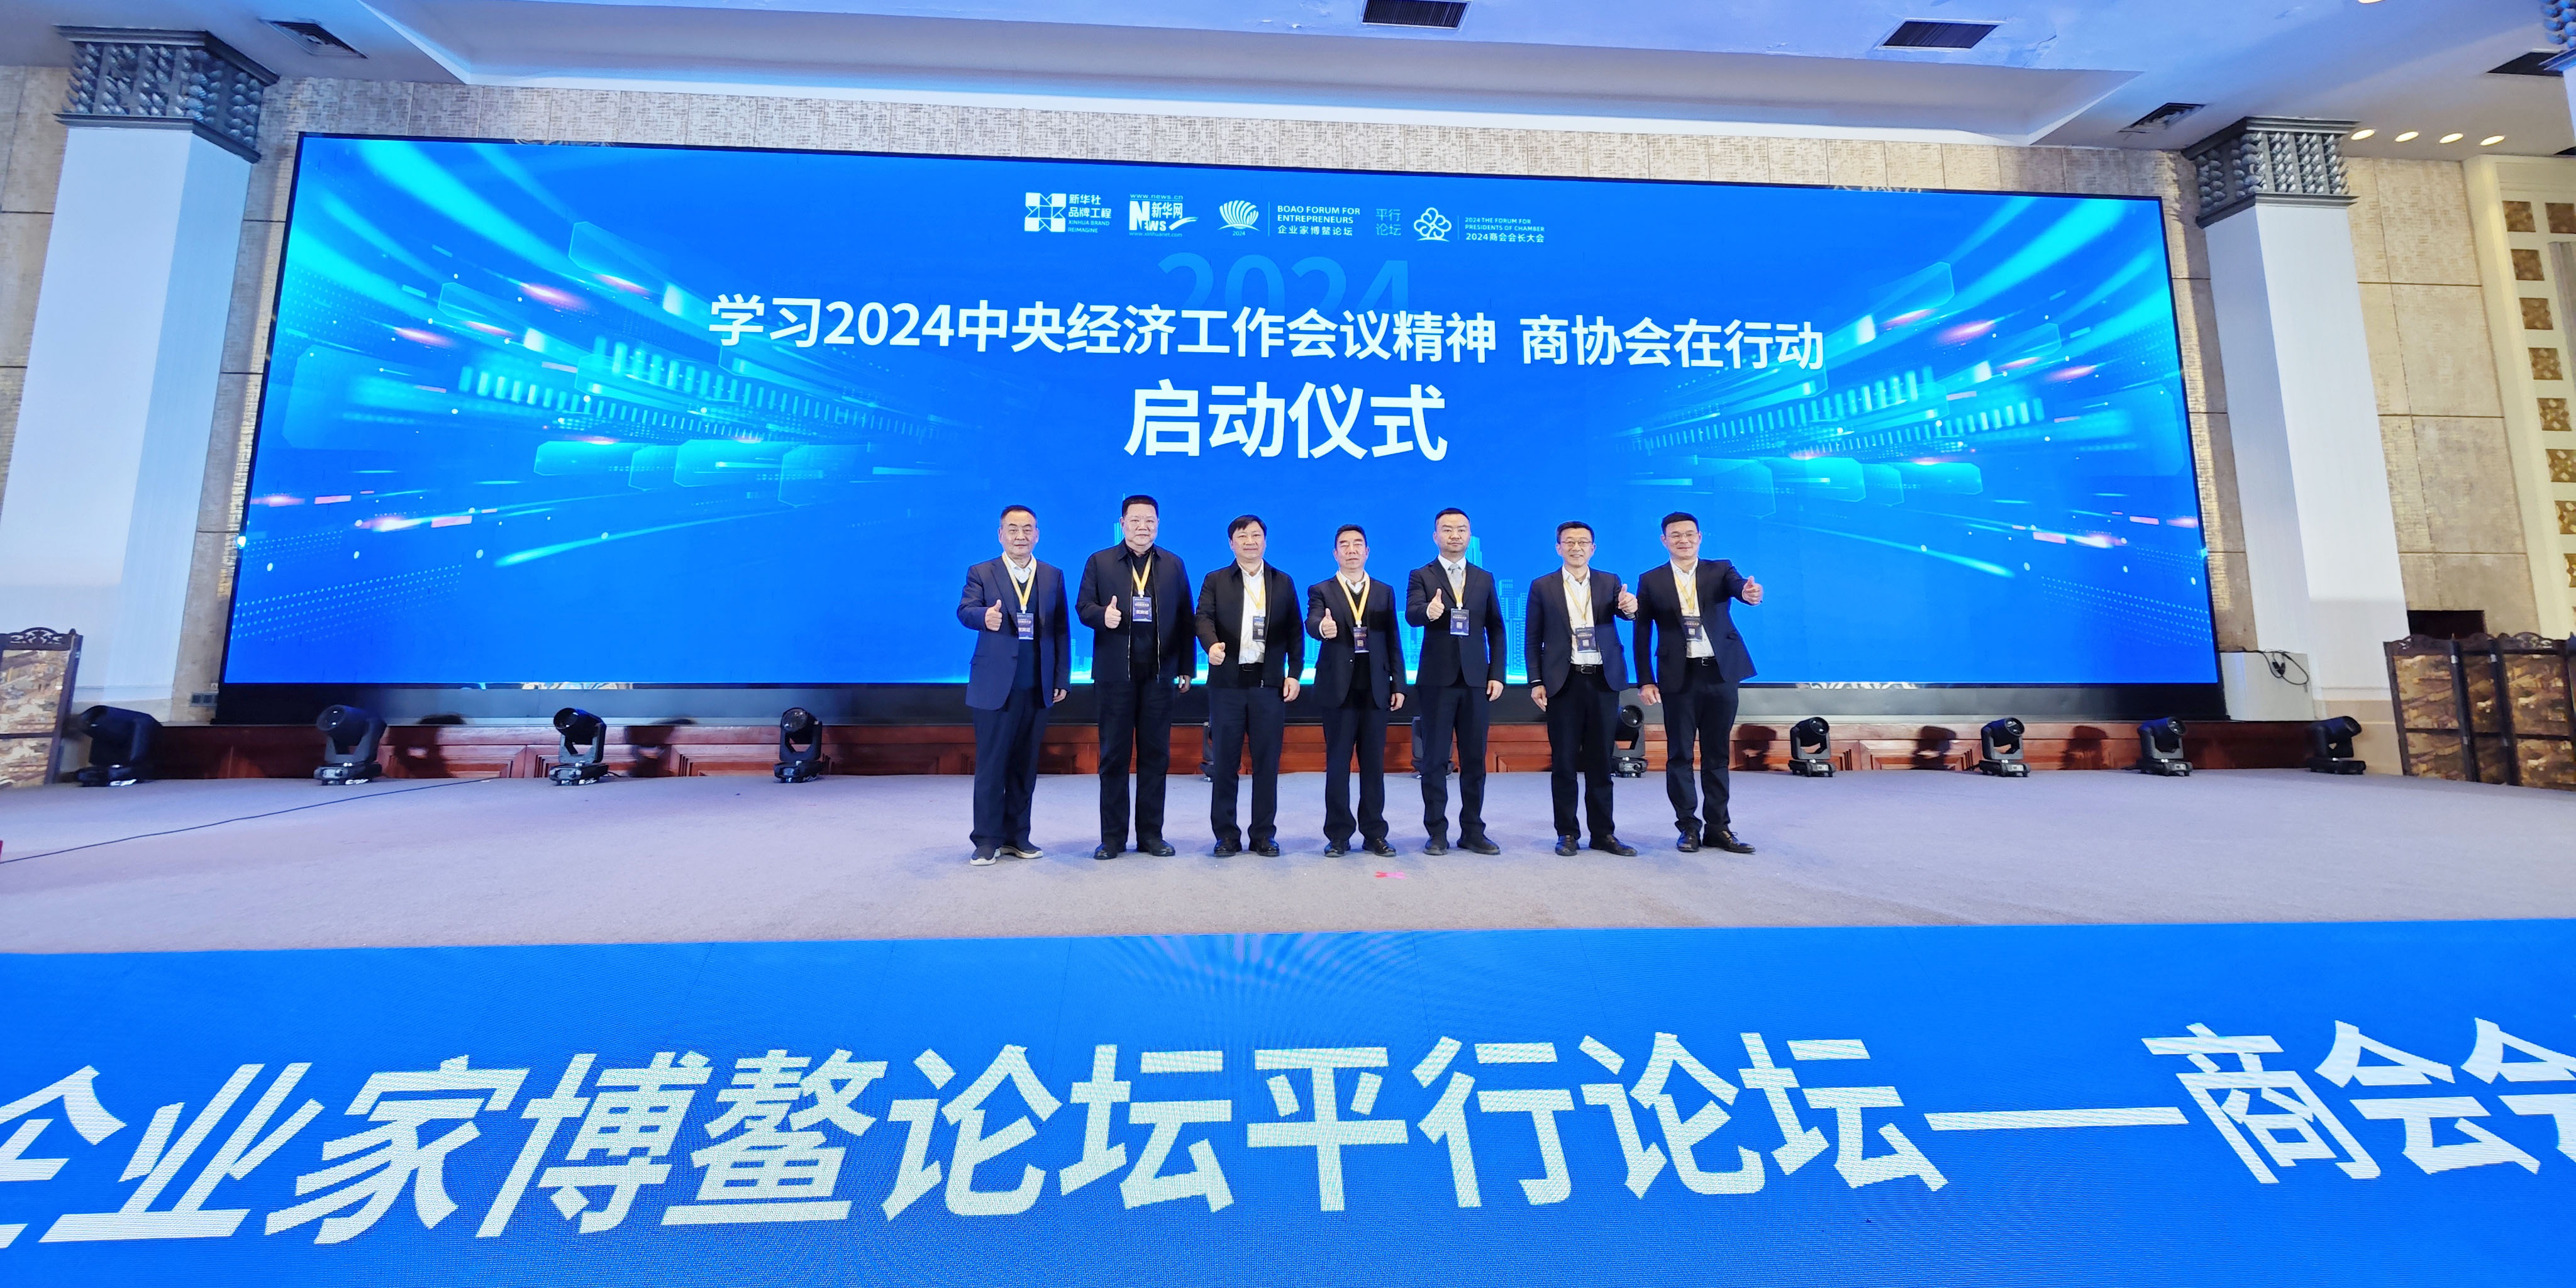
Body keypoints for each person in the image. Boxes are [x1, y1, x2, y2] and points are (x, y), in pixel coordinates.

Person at [1633, 511, 1763, 855]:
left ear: (1700, 537)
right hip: (1679, 677)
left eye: (1690, 534)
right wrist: (1645, 680)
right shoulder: (1651, 579)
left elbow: (1740, 588)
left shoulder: (1720, 569)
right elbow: (1642, 632)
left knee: (1717, 754)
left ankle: (1719, 828)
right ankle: (1688, 827)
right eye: (1675, 535)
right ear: (1664, 541)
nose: (1684, 540)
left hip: (1720, 674)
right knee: (1679, 754)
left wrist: (1749, 593)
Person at [1075, 495, 1192, 861]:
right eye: (1136, 520)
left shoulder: (1173, 564)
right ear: (1122, 523)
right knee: (1113, 757)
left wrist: (1186, 667)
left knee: (1156, 756)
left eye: (1150, 521)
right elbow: (1083, 607)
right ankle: (1112, 838)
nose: (1143, 527)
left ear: (1158, 525)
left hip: (1159, 675)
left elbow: (1186, 618)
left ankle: (1151, 835)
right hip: (1115, 676)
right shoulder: (1100, 561)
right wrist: (1102, 616)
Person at [956, 504, 1070, 866]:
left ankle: (1018, 836)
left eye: (1027, 529)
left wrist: (1060, 678)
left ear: (1037, 535)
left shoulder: (1052, 575)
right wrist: (983, 617)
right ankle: (986, 840)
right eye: (1013, 529)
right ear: (1001, 535)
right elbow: (965, 610)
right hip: (994, 686)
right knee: (992, 767)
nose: (1021, 536)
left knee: (1025, 766)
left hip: (1037, 685)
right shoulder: (982, 572)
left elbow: (1061, 631)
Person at [1524, 520, 1640, 857]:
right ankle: (1567, 833)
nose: (1576, 547)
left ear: (1593, 548)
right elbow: (1532, 638)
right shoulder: (1542, 586)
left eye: (1583, 542)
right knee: (1563, 762)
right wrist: (1536, 681)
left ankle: (1603, 833)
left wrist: (1630, 609)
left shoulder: (1609, 581)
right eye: (1569, 542)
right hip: (1564, 682)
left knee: (1601, 761)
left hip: (1603, 680)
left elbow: (1626, 612)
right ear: (1558, 547)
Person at [1196, 514, 1302, 857]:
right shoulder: (1215, 580)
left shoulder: (1282, 581)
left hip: (1268, 685)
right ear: (1232, 544)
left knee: (1267, 763)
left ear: (1265, 541)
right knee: (1225, 763)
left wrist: (1294, 673)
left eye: (1256, 535)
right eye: (1242, 536)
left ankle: (1263, 835)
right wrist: (1210, 645)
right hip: (1227, 684)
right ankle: (1226, 835)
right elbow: (1203, 618)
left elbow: (1295, 631)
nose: (1250, 542)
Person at [1404, 507, 1506, 855]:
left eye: (1461, 529)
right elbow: (1412, 614)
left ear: (1469, 535)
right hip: (1437, 680)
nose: (1455, 535)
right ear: (1436, 536)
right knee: (1434, 760)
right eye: (1447, 529)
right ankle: (1436, 832)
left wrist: (1497, 674)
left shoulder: (1483, 577)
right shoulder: (1421, 575)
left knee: (1475, 759)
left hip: (1477, 680)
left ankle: (1473, 831)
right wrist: (1428, 612)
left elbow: (1496, 628)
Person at [1307, 525, 1406, 857]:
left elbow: (1393, 639)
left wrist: (1399, 683)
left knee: (1374, 766)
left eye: (1358, 544)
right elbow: (1312, 622)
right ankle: (1338, 835)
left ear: (1367, 552)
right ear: (1335, 554)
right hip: (1338, 690)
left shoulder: (1384, 591)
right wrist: (1323, 627)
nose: (1352, 550)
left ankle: (1375, 833)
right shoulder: (1321, 590)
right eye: (1345, 545)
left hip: (1376, 690)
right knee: (1337, 765)